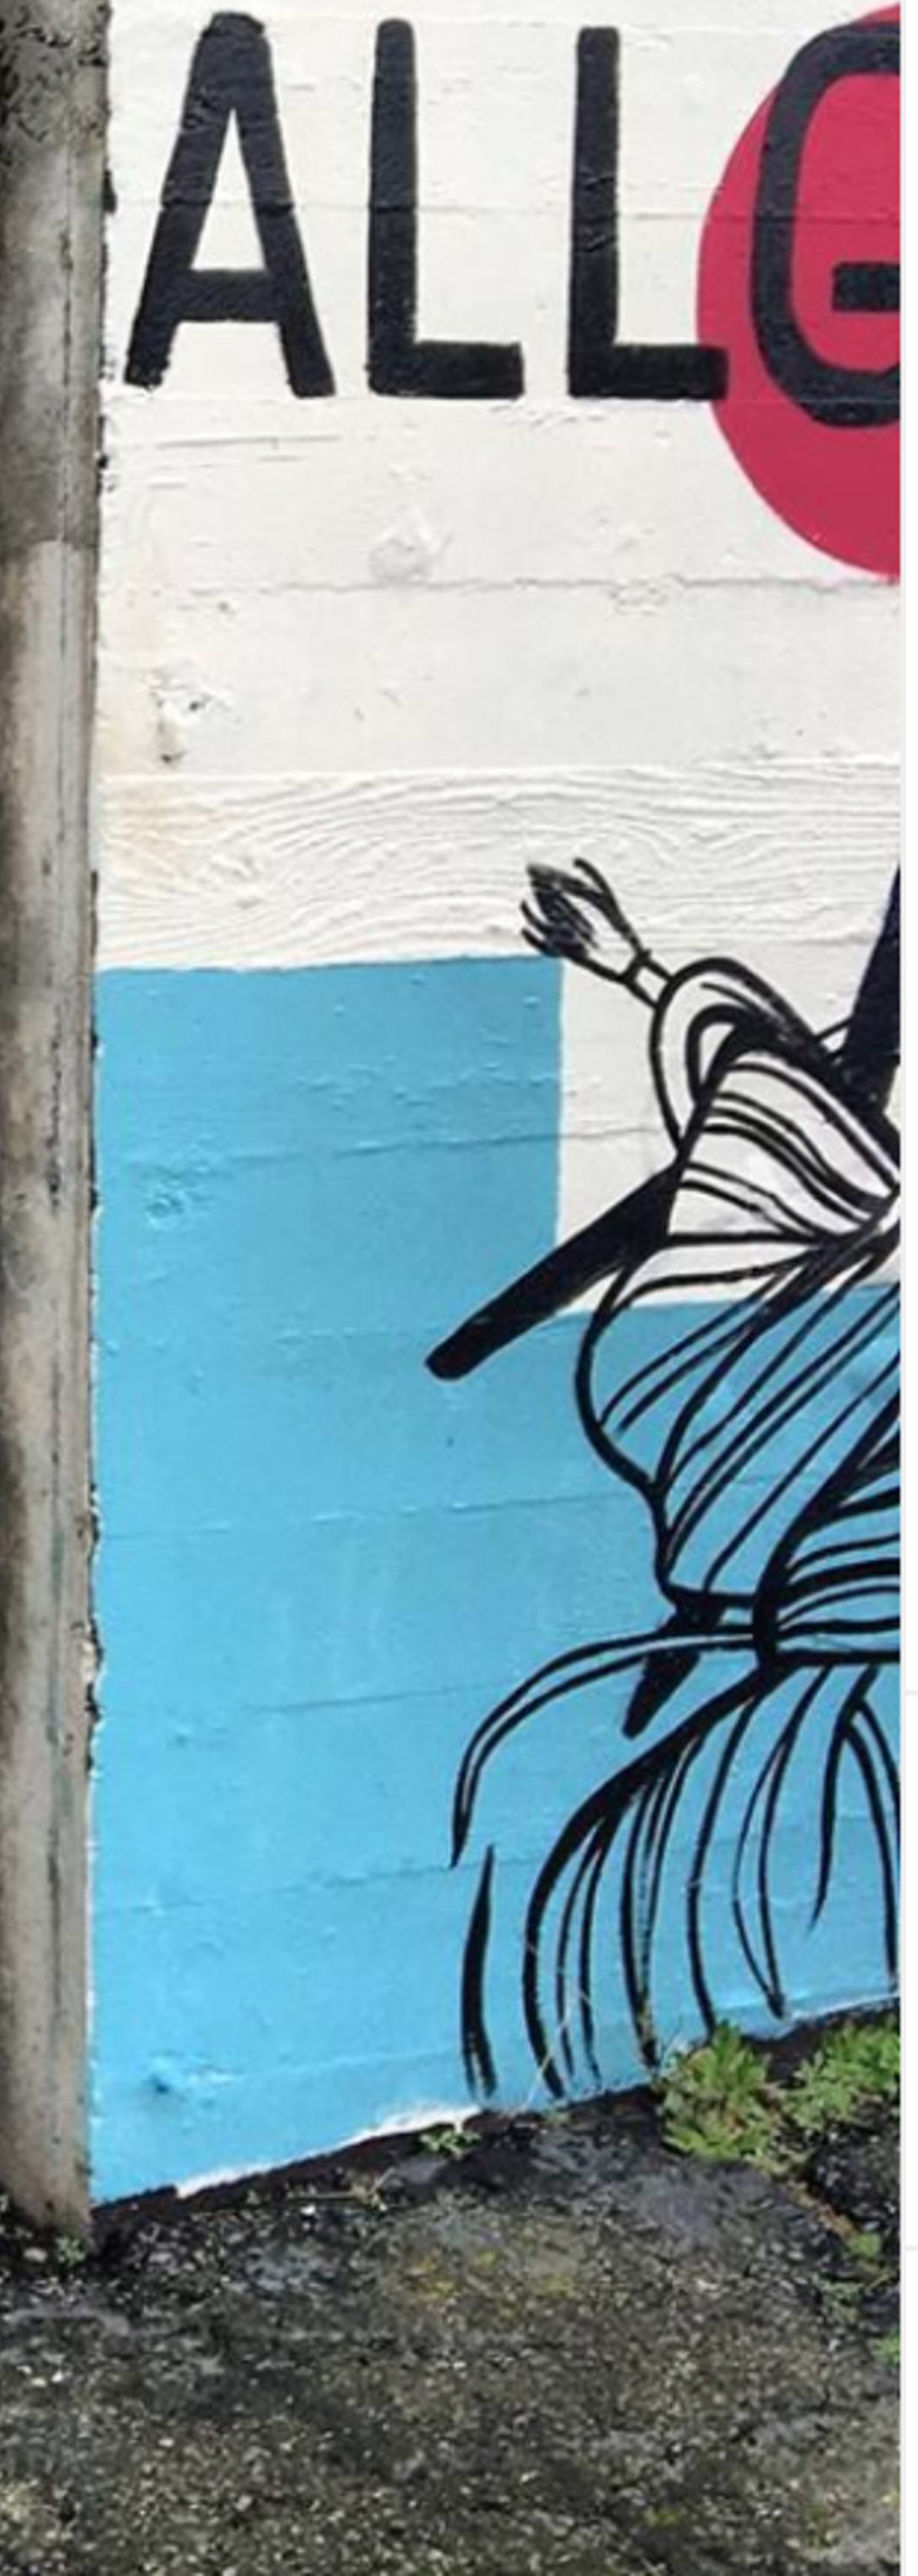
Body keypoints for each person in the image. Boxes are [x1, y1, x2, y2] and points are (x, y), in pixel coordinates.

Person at [442, 861, 899, 2098]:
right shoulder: (830, 1276)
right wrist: (635, 966)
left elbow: (774, 1086)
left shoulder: (829, 1268)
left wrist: (636, 968)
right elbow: (786, 1097)